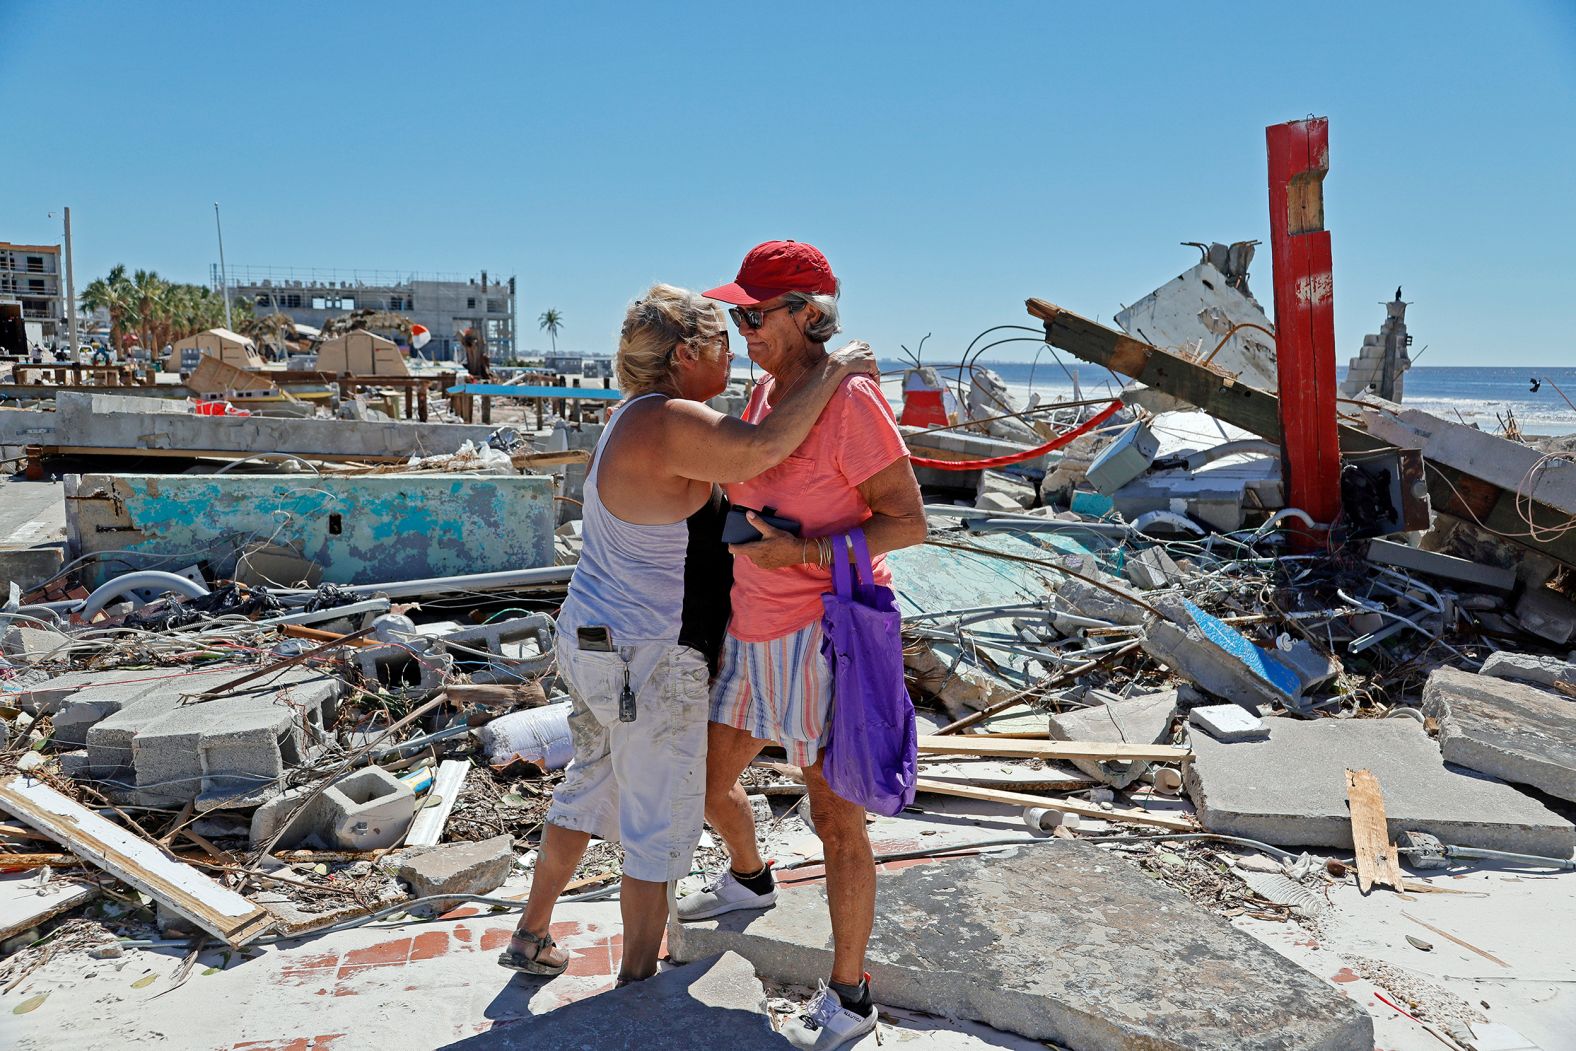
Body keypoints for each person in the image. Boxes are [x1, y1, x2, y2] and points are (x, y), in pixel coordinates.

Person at [500, 283, 876, 987]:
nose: (734, 357)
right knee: (655, 834)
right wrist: (837, 368)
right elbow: (764, 445)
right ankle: (638, 990)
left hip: (592, 641)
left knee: (588, 784)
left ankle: (531, 934)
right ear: (685, 354)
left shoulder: (627, 417)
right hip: (650, 654)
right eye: (723, 343)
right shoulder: (672, 420)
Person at [677, 242, 926, 1050]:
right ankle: (750, 880)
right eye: (737, 313)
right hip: (753, 634)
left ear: (809, 314)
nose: (741, 326)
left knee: (834, 816)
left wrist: (805, 553)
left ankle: (850, 994)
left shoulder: (851, 402)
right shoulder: (767, 393)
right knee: (708, 782)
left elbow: (909, 522)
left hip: (825, 640)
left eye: (756, 313)